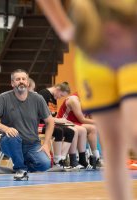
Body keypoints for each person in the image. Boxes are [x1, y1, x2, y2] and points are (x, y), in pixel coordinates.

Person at [36, 1, 137, 199]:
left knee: (134, 130)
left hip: (129, 41)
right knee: (114, 147)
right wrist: (64, 28)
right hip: (94, 49)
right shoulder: (71, 98)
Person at [0, 69, 54, 180]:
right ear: (12, 83)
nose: (21, 81)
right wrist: (6, 128)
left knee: (45, 164)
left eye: (23, 79)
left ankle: (24, 166)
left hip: (32, 144)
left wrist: (46, 144)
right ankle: (20, 169)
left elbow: (50, 121)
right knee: (13, 136)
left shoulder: (38, 99)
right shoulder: (4, 98)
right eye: (18, 79)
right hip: (10, 142)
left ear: (28, 83)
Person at [28, 79, 75, 169]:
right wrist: (58, 121)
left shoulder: (54, 97)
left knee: (70, 132)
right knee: (58, 131)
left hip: (48, 124)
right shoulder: (44, 94)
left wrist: (60, 120)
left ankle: (62, 158)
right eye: (61, 95)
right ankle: (57, 160)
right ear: (57, 89)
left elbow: (51, 115)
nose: (59, 98)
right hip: (38, 125)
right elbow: (41, 116)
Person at [57, 92, 101, 168]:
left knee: (93, 128)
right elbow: (82, 119)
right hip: (64, 122)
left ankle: (95, 158)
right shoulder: (74, 100)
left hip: (75, 122)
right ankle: (73, 160)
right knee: (81, 130)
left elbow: (91, 117)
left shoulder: (89, 100)